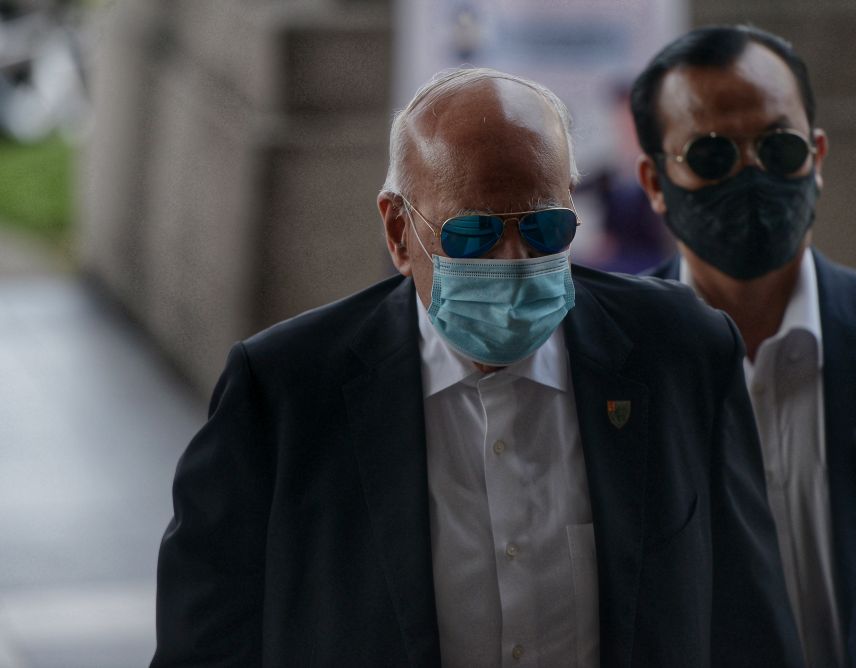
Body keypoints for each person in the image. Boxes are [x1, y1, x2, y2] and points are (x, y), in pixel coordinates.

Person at [151, 67, 804, 666]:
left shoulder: (681, 353)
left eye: (546, 229)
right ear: (399, 233)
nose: (515, 259)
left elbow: (751, 622)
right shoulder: (284, 394)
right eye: (474, 235)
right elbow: (204, 649)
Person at [631, 25, 856, 668]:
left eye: (779, 148)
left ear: (818, 156)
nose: (753, 175)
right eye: (713, 156)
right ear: (655, 181)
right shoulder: (615, 357)